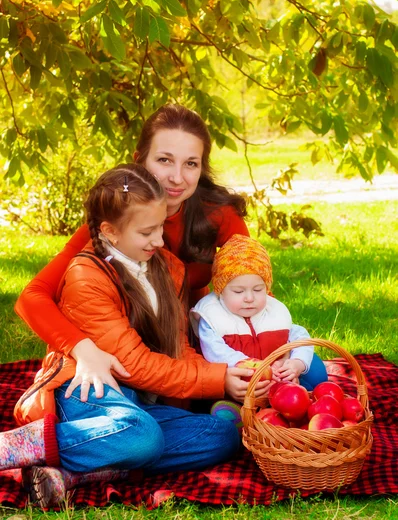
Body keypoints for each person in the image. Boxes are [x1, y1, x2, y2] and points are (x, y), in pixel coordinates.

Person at [5, 165, 264, 507]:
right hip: (86, 392)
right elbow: (134, 365)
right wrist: (217, 380)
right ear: (110, 231)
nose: (159, 240)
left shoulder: (167, 267)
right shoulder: (87, 277)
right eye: (147, 232)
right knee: (143, 435)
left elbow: (178, 348)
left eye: (160, 227)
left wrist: (225, 375)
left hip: (138, 403)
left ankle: (81, 472)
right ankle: (16, 447)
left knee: (221, 435)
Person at [15, 104, 250, 400]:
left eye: (191, 163)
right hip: (125, 336)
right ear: (139, 161)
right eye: (164, 160)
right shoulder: (117, 220)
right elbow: (32, 297)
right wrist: (83, 349)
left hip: (194, 337)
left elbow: (253, 288)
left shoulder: (220, 214)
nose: (177, 178)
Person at [190, 234, 328, 422]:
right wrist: (258, 368)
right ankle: (237, 414)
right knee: (223, 401)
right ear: (221, 290)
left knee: (315, 371)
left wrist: (295, 364)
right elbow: (216, 352)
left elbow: (300, 336)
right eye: (238, 291)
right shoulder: (213, 316)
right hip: (240, 379)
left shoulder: (273, 312)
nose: (249, 298)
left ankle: (289, 406)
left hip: (275, 377)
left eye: (258, 289)